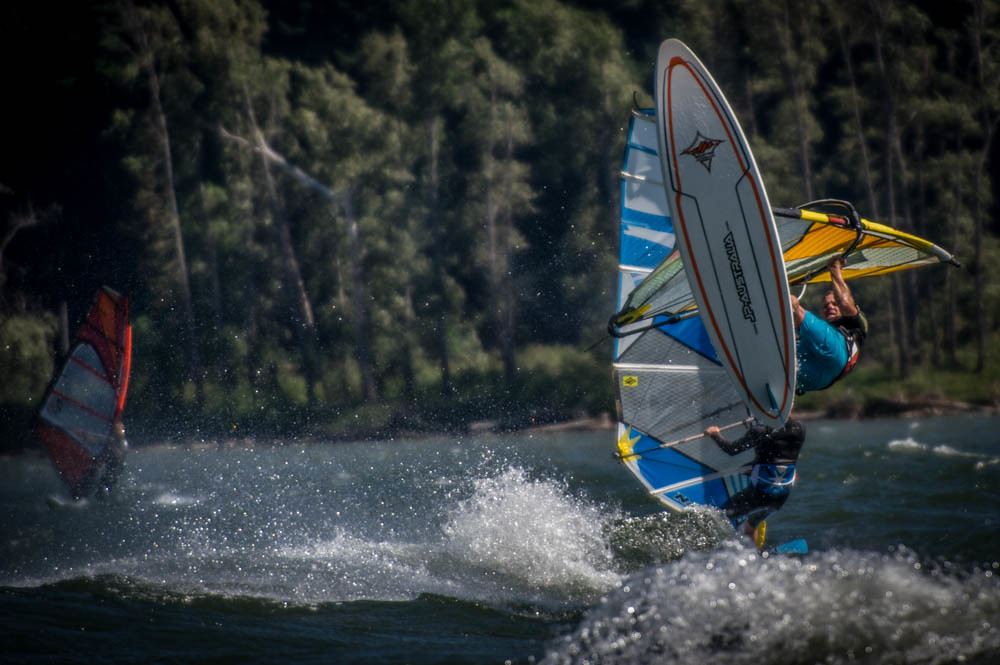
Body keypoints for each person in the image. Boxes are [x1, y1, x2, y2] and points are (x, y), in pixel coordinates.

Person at [704, 420, 805, 541]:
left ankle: (719, 553)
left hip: (758, 496)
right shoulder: (799, 427)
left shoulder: (760, 431)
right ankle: (754, 553)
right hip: (779, 499)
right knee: (751, 525)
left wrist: (714, 434)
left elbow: (732, 449)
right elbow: (780, 455)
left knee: (718, 519)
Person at [790, 256, 868, 393]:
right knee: (785, 367)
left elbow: (844, 302)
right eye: (825, 306)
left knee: (794, 307)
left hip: (838, 354)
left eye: (834, 304)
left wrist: (835, 268)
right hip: (821, 379)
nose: (830, 307)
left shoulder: (855, 321)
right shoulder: (822, 331)